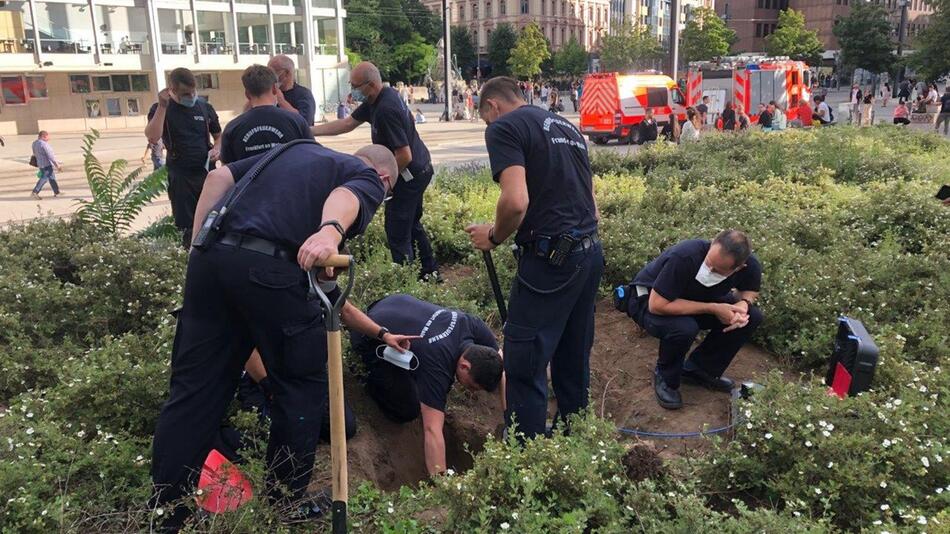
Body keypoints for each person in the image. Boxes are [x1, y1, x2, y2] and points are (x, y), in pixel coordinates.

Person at [150, 142, 398, 530]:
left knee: (193, 393)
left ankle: (165, 514)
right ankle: (282, 507)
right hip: (269, 269)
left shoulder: (290, 152)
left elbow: (217, 178)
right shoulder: (364, 175)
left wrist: (198, 247)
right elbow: (346, 196)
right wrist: (330, 233)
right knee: (301, 387)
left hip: (211, 261)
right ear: (383, 180)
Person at [465, 77, 603, 440]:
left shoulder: (505, 127)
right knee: (573, 355)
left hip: (551, 262)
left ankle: (527, 457)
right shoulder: (566, 127)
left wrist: (493, 235)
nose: (488, 127)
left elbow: (515, 201)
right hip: (588, 254)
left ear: (492, 107)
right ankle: (573, 442)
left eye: (485, 119)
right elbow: (592, 205)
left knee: (524, 361)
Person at [312, 62, 440, 280]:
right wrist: (309, 131)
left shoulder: (385, 110)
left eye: (355, 86)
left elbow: (404, 155)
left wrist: (384, 185)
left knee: (397, 231)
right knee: (412, 224)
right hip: (419, 169)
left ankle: (406, 283)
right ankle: (429, 273)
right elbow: (346, 124)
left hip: (409, 175)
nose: (352, 90)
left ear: (370, 85)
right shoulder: (378, 98)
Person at [351, 294, 504, 475]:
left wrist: (510, 420)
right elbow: (432, 429)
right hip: (367, 331)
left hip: (392, 302)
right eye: (472, 386)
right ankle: (363, 373)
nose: (471, 391)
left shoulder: (472, 324)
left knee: (416, 371)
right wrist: (442, 484)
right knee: (407, 409)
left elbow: (502, 365)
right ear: (464, 366)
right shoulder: (437, 367)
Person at [621, 230, 763, 410]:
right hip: (648, 300)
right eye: (709, 263)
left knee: (751, 317)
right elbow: (656, 305)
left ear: (739, 268)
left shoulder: (750, 265)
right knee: (684, 328)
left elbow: (750, 290)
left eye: (717, 270)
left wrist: (743, 304)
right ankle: (665, 377)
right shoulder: (685, 256)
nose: (709, 270)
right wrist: (713, 308)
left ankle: (699, 370)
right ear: (712, 244)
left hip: (695, 299)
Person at [145, 67, 222, 247]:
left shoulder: (204, 107)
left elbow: (218, 136)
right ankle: (191, 256)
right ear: (172, 90)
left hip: (206, 172)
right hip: (181, 175)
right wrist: (163, 106)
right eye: (185, 93)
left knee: (214, 218)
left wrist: (218, 149)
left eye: (193, 91)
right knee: (188, 227)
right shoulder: (161, 108)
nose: (191, 96)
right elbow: (153, 136)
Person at [220, 65, 312, 164]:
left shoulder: (233, 128)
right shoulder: (296, 121)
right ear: (274, 89)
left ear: (247, 93)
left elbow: (227, 168)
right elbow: (313, 155)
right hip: (291, 178)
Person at [268, 55, 316, 125]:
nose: (270, 76)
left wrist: (281, 102)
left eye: (274, 72)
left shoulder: (303, 94)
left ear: (287, 73)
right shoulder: (268, 93)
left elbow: (305, 122)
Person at [30, 131, 62, 199]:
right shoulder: (44, 144)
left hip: (40, 163)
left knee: (52, 177)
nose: (49, 138)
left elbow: (34, 153)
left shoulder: (34, 143)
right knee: (44, 178)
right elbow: (51, 156)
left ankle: (57, 192)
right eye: (48, 136)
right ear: (44, 136)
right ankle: (35, 192)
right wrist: (57, 165)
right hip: (46, 164)